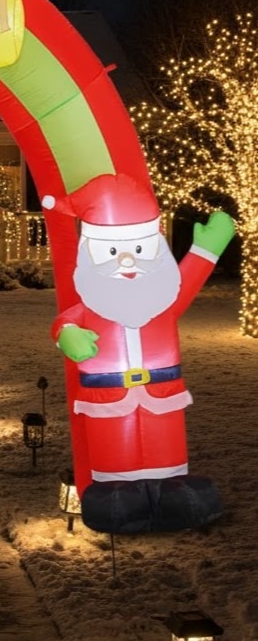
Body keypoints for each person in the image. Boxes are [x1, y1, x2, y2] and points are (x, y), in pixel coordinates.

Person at [43, 173, 235, 533]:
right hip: (107, 396)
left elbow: (187, 280)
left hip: (163, 393)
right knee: (115, 449)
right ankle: (117, 498)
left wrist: (207, 249)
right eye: (113, 253)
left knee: (166, 448)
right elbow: (64, 322)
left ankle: (173, 493)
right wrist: (67, 334)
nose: (128, 262)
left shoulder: (164, 299)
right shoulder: (90, 306)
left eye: (140, 251)